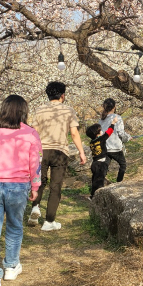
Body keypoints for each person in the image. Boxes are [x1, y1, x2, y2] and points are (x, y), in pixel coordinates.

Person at [0, 95, 42, 286]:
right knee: (14, 227)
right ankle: (11, 267)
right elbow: (35, 164)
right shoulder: (30, 134)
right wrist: (35, 187)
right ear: (23, 111)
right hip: (17, 186)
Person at [28, 81, 87, 231]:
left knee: (39, 181)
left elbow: (34, 132)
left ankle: (35, 207)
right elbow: (74, 133)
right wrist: (81, 152)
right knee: (56, 186)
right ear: (62, 95)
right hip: (60, 151)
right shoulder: (68, 110)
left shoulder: (39, 110)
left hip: (41, 151)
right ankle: (49, 222)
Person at [85, 116, 120, 197]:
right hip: (101, 164)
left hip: (94, 164)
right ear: (97, 134)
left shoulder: (91, 142)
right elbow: (109, 131)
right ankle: (98, 197)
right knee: (100, 181)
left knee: (95, 180)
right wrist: (113, 123)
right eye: (100, 131)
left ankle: (93, 195)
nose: (102, 132)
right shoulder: (101, 139)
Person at [98, 98, 131, 183]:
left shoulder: (101, 119)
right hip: (115, 148)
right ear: (114, 107)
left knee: (105, 166)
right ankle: (118, 183)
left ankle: (100, 183)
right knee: (123, 165)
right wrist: (128, 138)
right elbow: (121, 133)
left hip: (105, 147)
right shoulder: (117, 118)